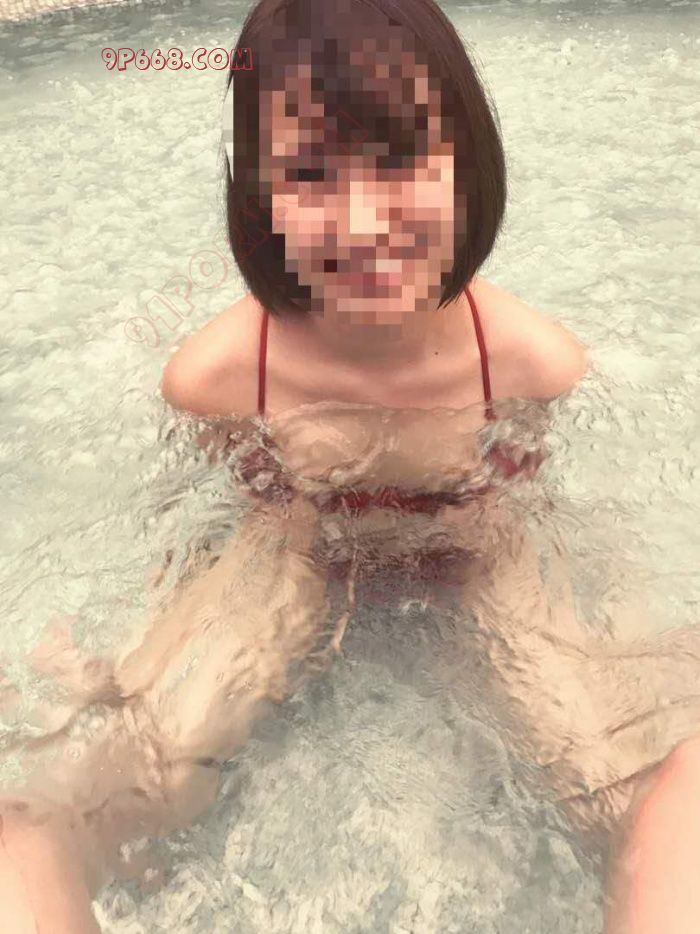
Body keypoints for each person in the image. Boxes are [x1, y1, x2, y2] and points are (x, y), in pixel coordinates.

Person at [1, 1, 699, 931]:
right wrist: (143, 640)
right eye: (310, 174)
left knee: (663, 784)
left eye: (403, 158)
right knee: (45, 823)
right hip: (294, 551)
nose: (365, 221)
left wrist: (623, 628)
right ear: (258, 199)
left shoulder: (530, 362)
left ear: (469, 167)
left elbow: (543, 510)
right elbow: (206, 515)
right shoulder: (220, 377)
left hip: (475, 549)